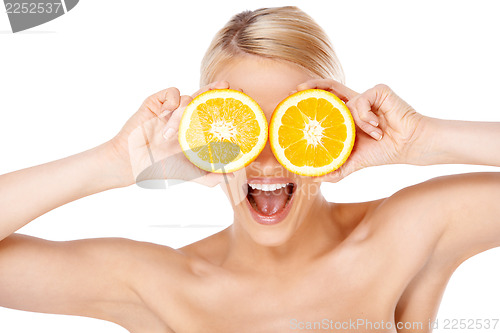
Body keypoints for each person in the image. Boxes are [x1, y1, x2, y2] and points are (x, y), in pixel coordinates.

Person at [1, 5, 499, 333]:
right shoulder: (159, 282)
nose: (265, 159)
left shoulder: (406, 232)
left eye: (293, 126)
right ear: (202, 135)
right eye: (240, 131)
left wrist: (421, 139)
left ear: (332, 127)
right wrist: (114, 162)